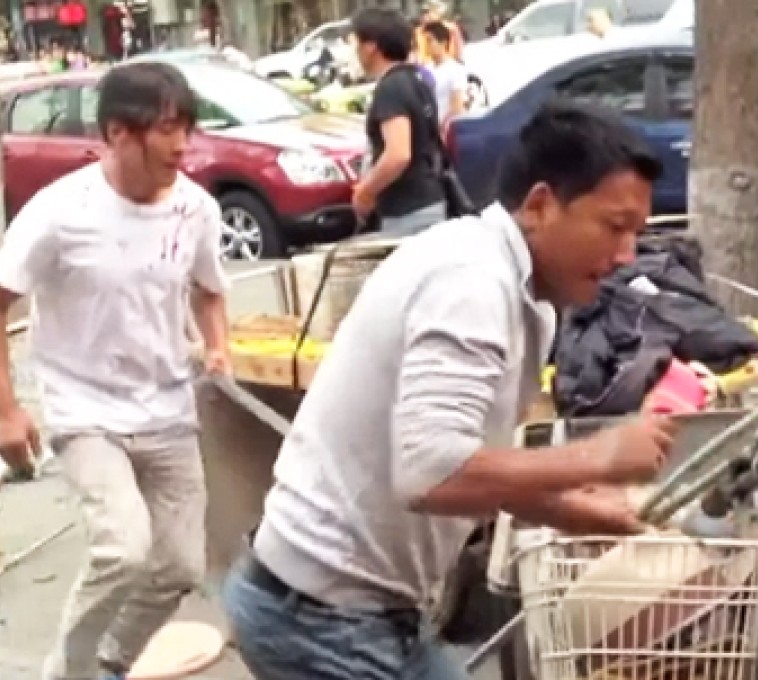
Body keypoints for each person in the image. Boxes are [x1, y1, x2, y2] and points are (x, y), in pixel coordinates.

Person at [221, 100, 671, 680]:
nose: (626, 255)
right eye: (614, 227)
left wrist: (571, 509)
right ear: (539, 205)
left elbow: (467, 465)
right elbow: (431, 472)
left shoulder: (526, 290)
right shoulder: (472, 282)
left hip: (367, 613)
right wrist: (600, 456)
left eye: (637, 232)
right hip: (317, 620)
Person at [0, 62, 231, 680]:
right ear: (117, 134)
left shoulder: (197, 210)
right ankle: (68, 673)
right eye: (165, 130)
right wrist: (7, 409)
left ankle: (108, 663)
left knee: (181, 565)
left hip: (167, 410)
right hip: (85, 410)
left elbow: (209, 289)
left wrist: (216, 348)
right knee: (123, 549)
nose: (182, 144)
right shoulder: (58, 212)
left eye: (186, 127)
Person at [352, 8, 446, 236]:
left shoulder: (391, 88)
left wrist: (366, 191)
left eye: (355, 43)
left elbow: (398, 154)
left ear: (371, 46)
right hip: (429, 199)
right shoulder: (417, 79)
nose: (354, 51)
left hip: (407, 212)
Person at [422, 20, 468, 126]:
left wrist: (442, 128)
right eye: (425, 41)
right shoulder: (426, 69)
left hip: (446, 131)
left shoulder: (455, 69)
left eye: (430, 41)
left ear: (443, 42)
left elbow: (457, 109)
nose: (427, 45)